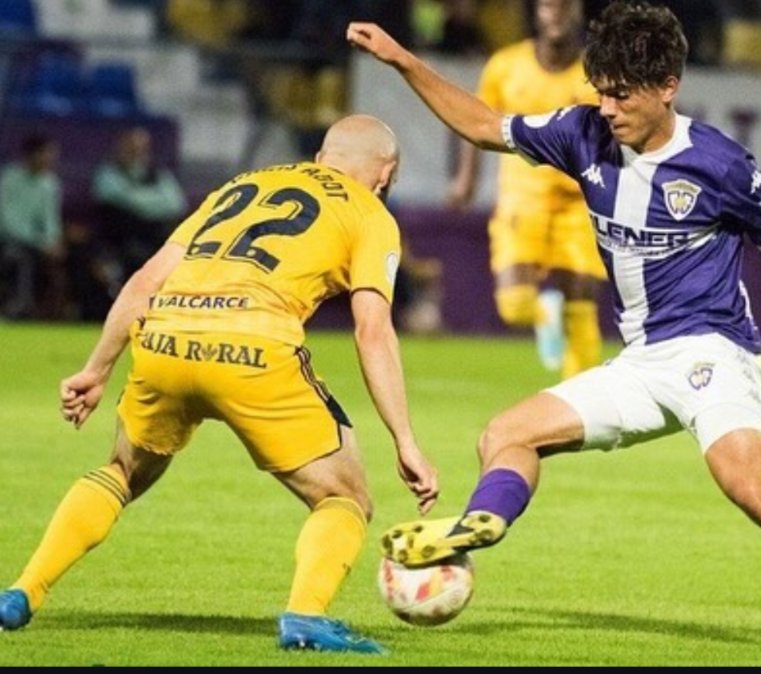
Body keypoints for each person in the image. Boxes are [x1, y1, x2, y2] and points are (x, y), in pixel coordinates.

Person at [347, 3, 761, 663]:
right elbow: (482, 125)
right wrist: (402, 61)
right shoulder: (581, 132)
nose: (607, 106)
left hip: (713, 352)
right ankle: (478, 530)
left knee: (753, 489)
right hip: (642, 362)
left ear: (666, 87)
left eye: (621, 93)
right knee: (504, 433)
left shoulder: (719, 164)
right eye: (599, 89)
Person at [0, 115, 439, 654]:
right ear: (385, 173)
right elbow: (372, 329)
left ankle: (22, 592)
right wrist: (406, 440)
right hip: (254, 350)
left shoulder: (242, 185)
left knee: (120, 471)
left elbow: (146, 279)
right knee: (343, 495)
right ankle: (305, 616)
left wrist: (97, 368)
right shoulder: (369, 210)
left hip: (164, 339)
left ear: (323, 156)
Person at [447, 0, 604, 377]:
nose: (557, 15)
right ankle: (541, 314)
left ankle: (579, 394)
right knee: (514, 305)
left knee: (580, 300)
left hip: (579, 202)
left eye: (566, 7)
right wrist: (466, 179)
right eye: (550, 6)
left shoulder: (595, 72)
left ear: (579, 13)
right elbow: (479, 123)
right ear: (537, 12)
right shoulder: (505, 66)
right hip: (523, 197)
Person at [92, 127, 187, 283]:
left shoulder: (159, 175)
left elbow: (176, 203)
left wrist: (141, 198)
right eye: (131, 148)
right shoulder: (107, 174)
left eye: (141, 149)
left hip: (158, 236)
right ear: (120, 147)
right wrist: (155, 200)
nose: (136, 153)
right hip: (124, 238)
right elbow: (129, 203)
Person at [0, 135, 66, 319]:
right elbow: (8, 223)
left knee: (75, 256)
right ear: (30, 155)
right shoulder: (9, 180)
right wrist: (41, 244)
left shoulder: (50, 183)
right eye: (46, 154)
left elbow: (51, 220)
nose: (50, 158)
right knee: (19, 256)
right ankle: (19, 307)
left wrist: (53, 242)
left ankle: (61, 313)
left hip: (38, 244)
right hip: (7, 239)